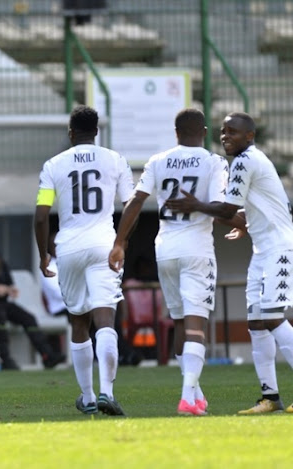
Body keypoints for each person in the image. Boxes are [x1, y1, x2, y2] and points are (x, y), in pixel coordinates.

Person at [165, 112, 293, 414]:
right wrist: (245, 222)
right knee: (256, 324)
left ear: (249, 136)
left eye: (233, 132)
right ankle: (270, 396)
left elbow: (226, 209)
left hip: (281, 249)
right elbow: (260, 203)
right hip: (263, 250)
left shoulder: (247, 160)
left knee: (273, 316)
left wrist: (196, 205)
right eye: (223, 132)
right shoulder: (249, 161)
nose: (226, 137)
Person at [109, 108, 228, 415]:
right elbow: (221, 207)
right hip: (196, 247)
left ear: (176, 133)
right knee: (195, 320)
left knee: (178, 320)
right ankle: (188, 396)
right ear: (204, 131)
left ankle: (195, 392)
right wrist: (200, 205)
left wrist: (120, 242)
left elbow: (135, 202)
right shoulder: (214, 162)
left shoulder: (158, 161)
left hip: (166, 248)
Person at [34, 105, 133, 416]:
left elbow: (40, 215)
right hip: (104, 245)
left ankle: (88, 397)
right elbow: (131, 206)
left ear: (70, 133)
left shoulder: (53, 164)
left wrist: (43, 254)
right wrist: (121, 243)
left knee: (79, 320)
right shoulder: (115, 159)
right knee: (105, 319)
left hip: (69, 249)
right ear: (97, 132)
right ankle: (107, 392)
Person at [0, 216, 65, 370]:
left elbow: (6, 274)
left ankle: (47, 355)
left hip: (2, 301)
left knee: (28, 318)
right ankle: (6, 359)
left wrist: (10, 288)